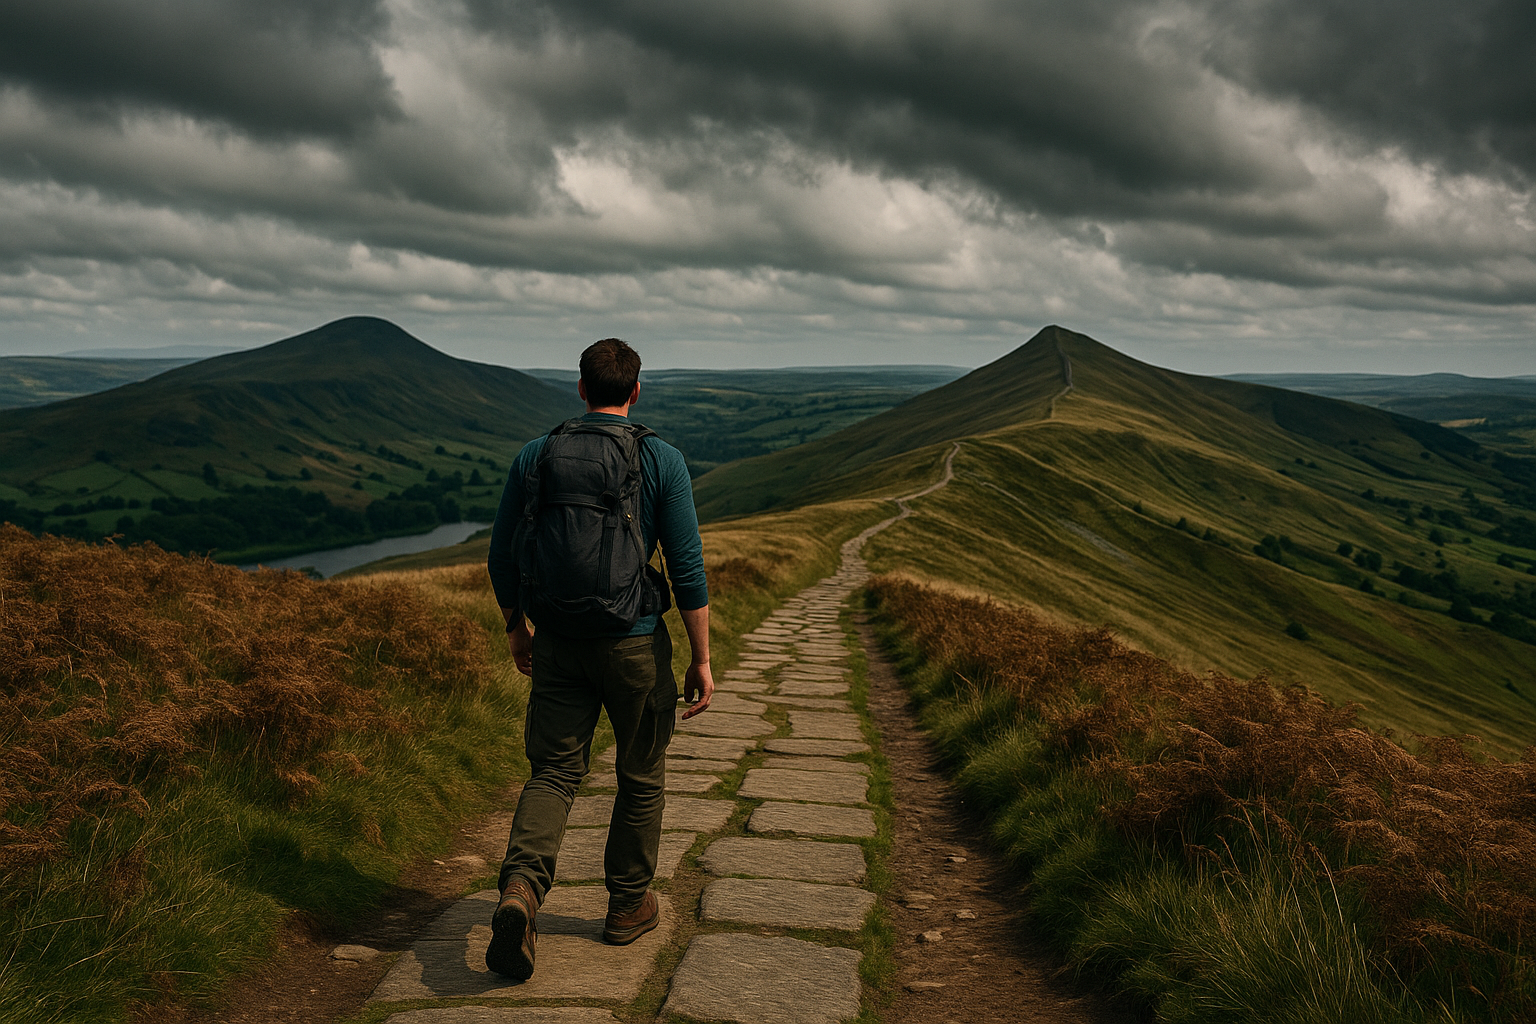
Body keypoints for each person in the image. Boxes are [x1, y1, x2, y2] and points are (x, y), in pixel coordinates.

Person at [483, 337, 713, 981]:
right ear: (636, 390)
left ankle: (521, 893)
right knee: (640, 775)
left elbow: (502, 555)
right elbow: (686, 566)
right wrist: (700, 657)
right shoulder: (659, 457)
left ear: (579, 389)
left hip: (557, 640)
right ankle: (627, 905)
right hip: (637, 642)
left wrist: (516, 628)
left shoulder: (537, 455)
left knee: (554, 772)